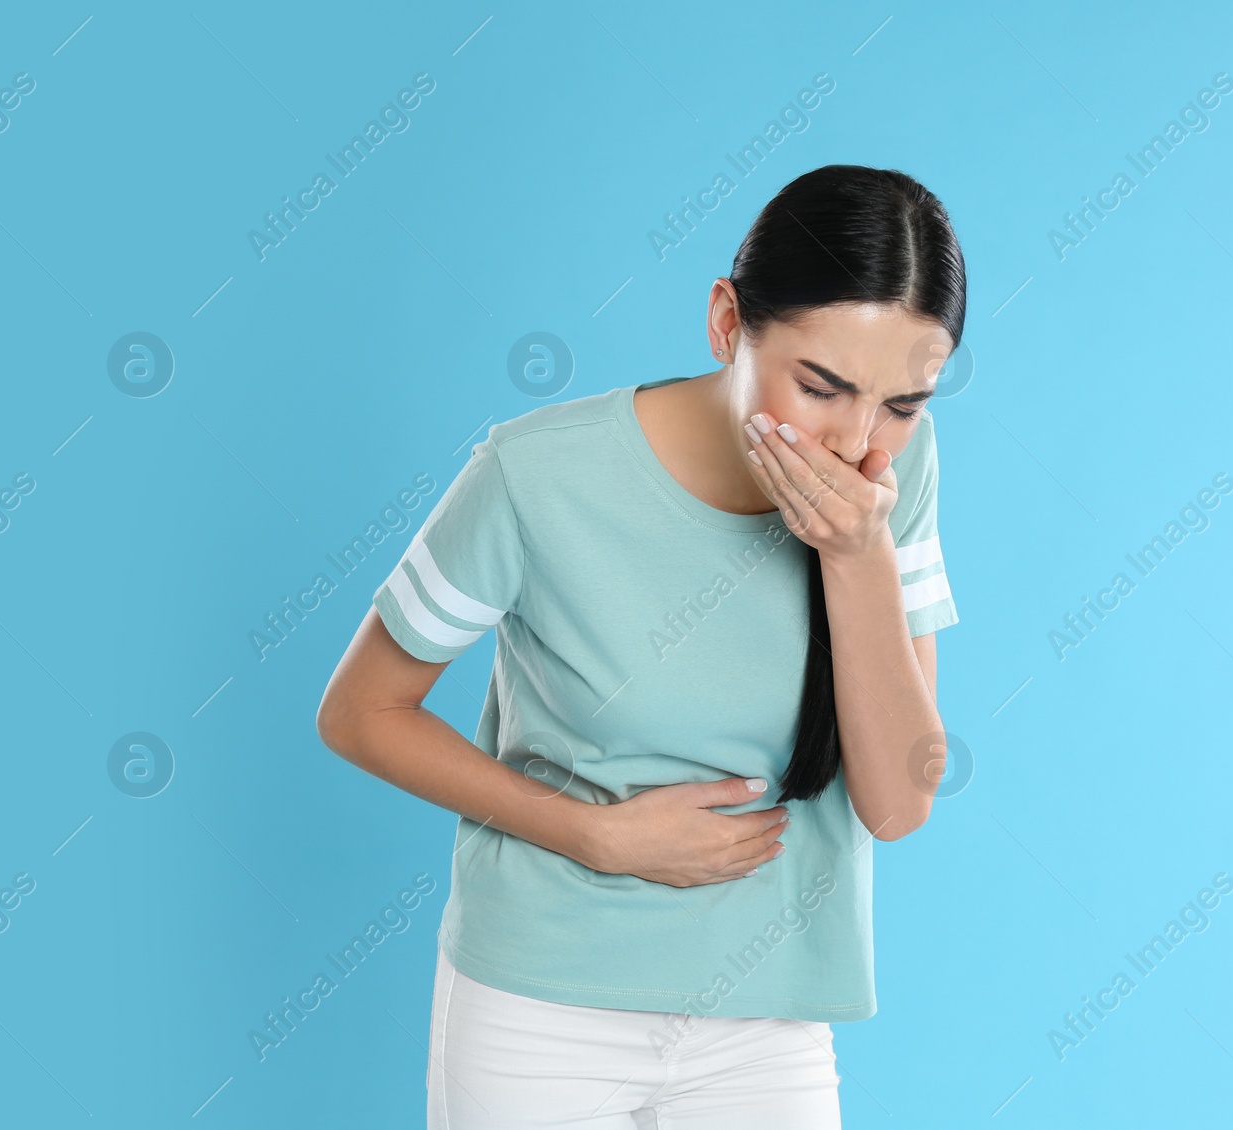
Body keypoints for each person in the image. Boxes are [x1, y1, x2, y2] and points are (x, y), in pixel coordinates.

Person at [316, 163, 965, 1129]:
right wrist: (596, 834)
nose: (857, 440)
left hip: (770, 1013)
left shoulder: (890, 487)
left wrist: (856, 553)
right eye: (822, 386)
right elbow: (359, 712)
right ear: (725, 323)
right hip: (543, 1006)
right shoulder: (535, 476)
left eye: (904, 405)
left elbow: (899, 801)